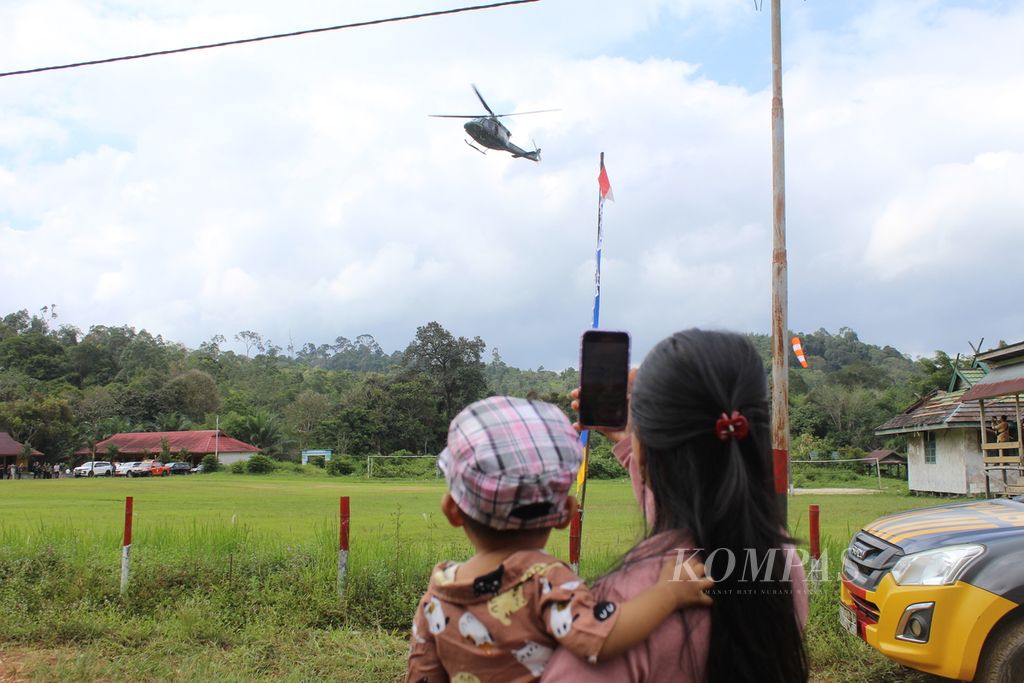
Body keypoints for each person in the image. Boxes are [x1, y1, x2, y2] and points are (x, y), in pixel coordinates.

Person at [543, 329, 809, 682]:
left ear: (648, 454)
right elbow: (692, 507)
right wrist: (633, 446)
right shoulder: (779, 562)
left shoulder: (625, 609)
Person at [405, 396, 714, 683]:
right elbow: (601, 638)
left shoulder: (436, 600)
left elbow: (421, 675)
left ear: (452, 511)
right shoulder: (545, 582)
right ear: (566, 514)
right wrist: (669, 593)